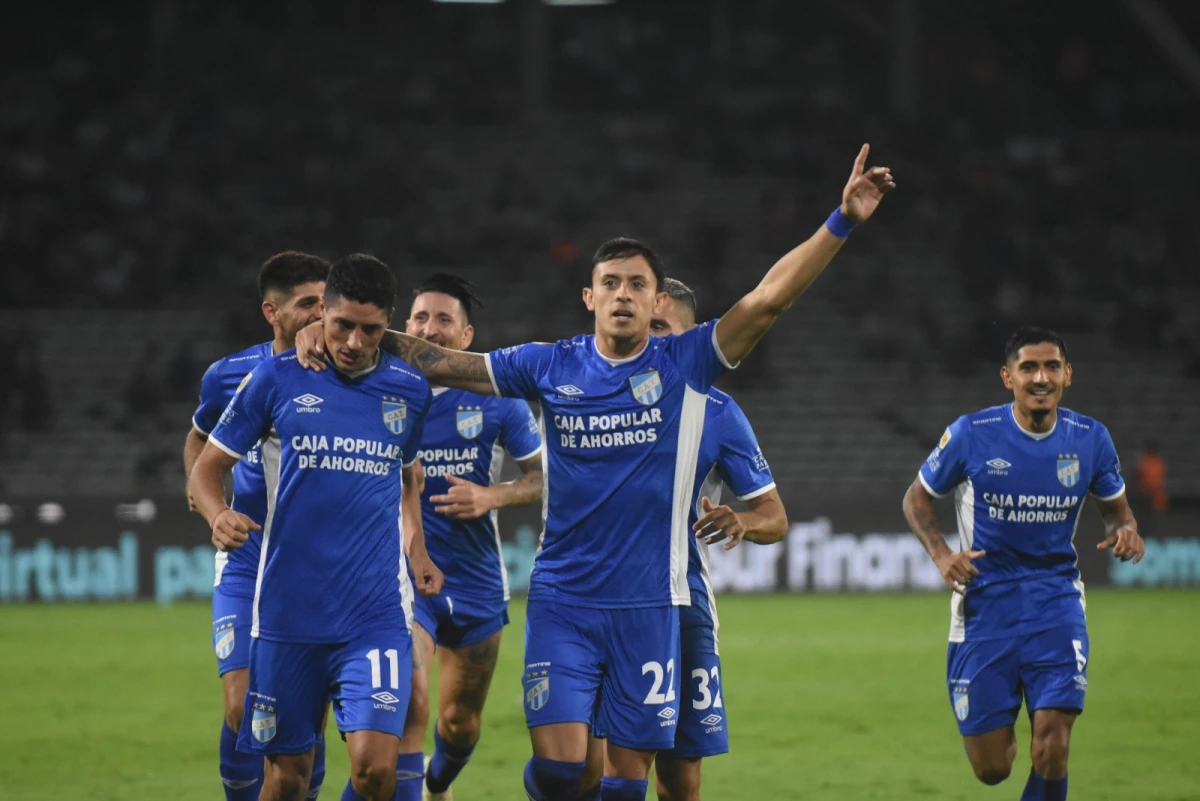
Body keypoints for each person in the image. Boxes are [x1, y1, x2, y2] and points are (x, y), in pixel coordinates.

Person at [297, 145, 895, 801]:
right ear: (589, 296)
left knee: (625, 778)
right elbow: (445, 364)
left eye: (636, 284)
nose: (622, 294)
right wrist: (331, 333)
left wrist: (841, 221)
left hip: (650, 604)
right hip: (565, 599)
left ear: (654, 300)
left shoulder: (686, 364)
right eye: (609, 282)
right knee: (560, 768)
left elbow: (768, 298)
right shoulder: (552, 365)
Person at [189, 254, 444, 801]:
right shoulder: (274, 379)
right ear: (320, 316)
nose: (354, 341)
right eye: (342, 325)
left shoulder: (409, 390)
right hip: (288, 612)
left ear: (388, 324)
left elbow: (406, 476)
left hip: (373, 613)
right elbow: (207, 467)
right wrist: (218, 513)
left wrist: (416, 547)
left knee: (376, 772)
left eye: (370, 329)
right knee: (287, 777)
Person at [901, 326, 1145, 801]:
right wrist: (942, 554)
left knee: (1053, 744)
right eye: (1028, 367)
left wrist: (1125, 530)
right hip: (984, 606)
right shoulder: (973, 434)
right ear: (1007, 377)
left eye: (1052, 366)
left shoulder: (1091, 439)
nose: (1041, 377)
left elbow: (1118, 511)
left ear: (1068, 375)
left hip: (1055, 602)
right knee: (991, 768)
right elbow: (915, 499)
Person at [584, 277, 789, 801]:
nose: (651, 341)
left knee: (680, 777)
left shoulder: (719, 413)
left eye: (663, 328)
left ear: (692, 336)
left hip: (684, 606)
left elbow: (775, 516)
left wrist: (743, 521)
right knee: (597, 767)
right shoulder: (592, 398)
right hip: (605, 600)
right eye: (645, 327)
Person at [183, 250, 330, 801]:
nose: (320, 313)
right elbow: (200, 441)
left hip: (316, 568)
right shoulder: (230, 376)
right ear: (272, 311)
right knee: (241, 704)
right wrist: (213, 507)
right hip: (249, 559)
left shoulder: (348, 372)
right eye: (306, 303)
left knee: (299, 718)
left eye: (325, 301)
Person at [394, 274, 544, 801]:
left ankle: (437, 786)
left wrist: (491, 496)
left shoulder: (500, 400)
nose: (427, 328)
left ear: (466, 336)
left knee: (460, 722)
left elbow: (543, 477)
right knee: (410, 699)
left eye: (442, 319)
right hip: (408, 575)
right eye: (418, 317)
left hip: (478, 581)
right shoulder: (381, 388)